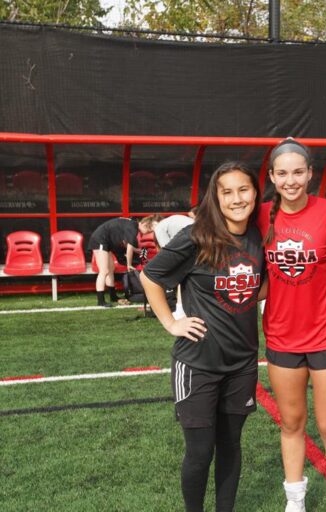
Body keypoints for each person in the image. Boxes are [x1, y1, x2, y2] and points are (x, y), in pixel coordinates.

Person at [140, 162, 264, 512]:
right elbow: (151, 276)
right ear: (216, 197)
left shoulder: (257, 236)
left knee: (231, 446)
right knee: (200, 451)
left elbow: (261, 283)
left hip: (242, 364)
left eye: (243, 190)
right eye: (227, 192)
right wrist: (171, 322)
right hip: (197, 364)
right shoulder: (197, 236)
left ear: (255, 193)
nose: (237, 198)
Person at [258, 138, 326, 512]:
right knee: (292, 424)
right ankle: (294, 500)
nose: (291, 180)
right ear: (272, 176)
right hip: (281, 336)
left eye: (298, 172)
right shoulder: (259, 212)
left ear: (311, 173)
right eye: (282, 173)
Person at [88, 214, 160, 307]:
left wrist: (137, 250)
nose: (146, 234)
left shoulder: (131, 225)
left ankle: (113, 296)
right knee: (104, 271)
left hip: (106, 241)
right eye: (148, 231)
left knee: (111, 269)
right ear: (144, 224)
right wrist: (129, 264)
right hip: (100, 240)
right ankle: (100, 301)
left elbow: (125, 243)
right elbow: (129, 248)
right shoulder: (133, 228)